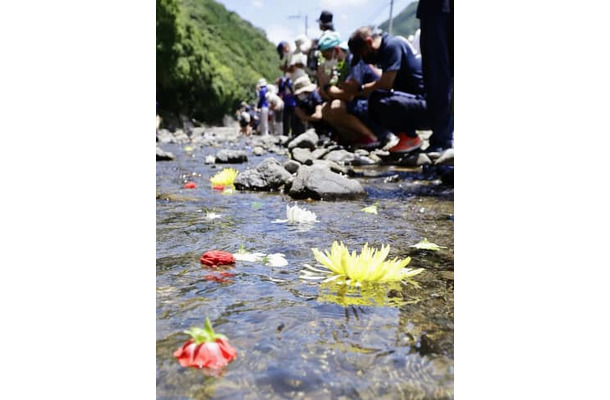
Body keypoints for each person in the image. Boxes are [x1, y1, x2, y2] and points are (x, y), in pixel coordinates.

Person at [348, 26, 430, 153]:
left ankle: (410, 137)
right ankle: (408, 137)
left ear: (369, 43)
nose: (364, 60)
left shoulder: (392, 45)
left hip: (427, 105)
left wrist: (359, 89)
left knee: (377, 100)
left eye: (363, 55)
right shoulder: (387, 48)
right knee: (375, 100)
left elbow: (385, 84)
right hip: (420, 103)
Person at [316, 31, 391, 149]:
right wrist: (322, 82)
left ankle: (371, 137)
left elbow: (348, 96)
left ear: (336, 50)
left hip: (376, 107)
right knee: (326, 109)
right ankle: (353, 139)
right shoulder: (341, 66)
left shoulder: (353, 60)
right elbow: (328, 96)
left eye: (326, 55)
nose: (326, 59)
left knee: (336, 106)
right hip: (364, 106)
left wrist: (327, 87)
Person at [417, 0, 453, 153]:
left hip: (435, 10)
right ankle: (443, 136)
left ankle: (442, 137)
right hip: (439, 8)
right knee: (440, 76)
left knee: (437, 75)